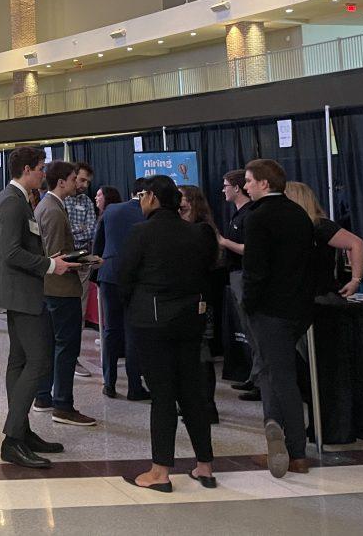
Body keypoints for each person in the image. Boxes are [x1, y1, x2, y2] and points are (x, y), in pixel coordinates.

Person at [118, 176, 218, 492]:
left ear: (152, 197)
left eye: (142, 194)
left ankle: (160, 472)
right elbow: (209, 274)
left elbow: (124, 277)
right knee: (192, 392)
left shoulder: (141, 232)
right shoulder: (199, 233)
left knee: (162, 394)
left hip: (153, 322)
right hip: (191, 320)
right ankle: (205, 466)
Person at [0, 147, 80, 469]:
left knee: (20, 361)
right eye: (40, 168)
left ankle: (22, 431)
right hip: (22, 293)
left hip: (19, 291)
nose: (44, 173)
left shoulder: (14, 199)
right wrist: (51, 265)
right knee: (39, 362)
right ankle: (12, 439)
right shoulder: (12, 202)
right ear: (27, 169)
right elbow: (11, 253)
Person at [242, 159, 318, 478]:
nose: (245, 186)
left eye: (248, 181)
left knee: (280, 375)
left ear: (264, 183)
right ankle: (275, 433)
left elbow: (256, 270)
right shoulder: (299, 214)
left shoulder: (258, 217)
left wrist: (248, 303)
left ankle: (296, 452)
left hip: (269, 309)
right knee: (270, 372)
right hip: (297, 308)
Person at [33, 161, 97, 427]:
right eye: (73, 179)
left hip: (49, 289)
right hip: (60, 290)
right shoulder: (54, 210)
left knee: (51, 345)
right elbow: (58, 257)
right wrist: (86, 261)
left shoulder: (45, 206)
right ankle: (63, 404)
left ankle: (44, 396)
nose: (76, 183)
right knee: (66, 347)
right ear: (61, 182)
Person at [95, 178, 151, 401]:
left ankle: (108, 383)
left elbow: (98, 244)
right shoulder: (147, 215)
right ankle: (134, 386)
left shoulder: (111, 210)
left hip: (109, 274)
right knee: (132, 331)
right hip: (135, 278)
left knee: (111, 330)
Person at [180, 186, 222, 424]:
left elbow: (204, 263)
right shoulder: (184, 228)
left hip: (200, 299)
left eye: (183, 198)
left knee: (201, 353)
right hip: (188, 298)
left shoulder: (203, 229)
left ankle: (207, 405)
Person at [219, 169, 261, 400]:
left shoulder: (249, 215)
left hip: (244, 275)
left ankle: (261, 381)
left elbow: (249, 247)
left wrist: (224, 242)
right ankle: (254, 376)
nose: (223, 190)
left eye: (226, 185)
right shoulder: (236, 215)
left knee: (253, 329)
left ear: (237, 188)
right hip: (234, 274)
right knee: (247, 328)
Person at [284, 181, 363, 298]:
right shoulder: (292, 228)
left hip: (321, 296)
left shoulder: (320, 226)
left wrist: (355, 280)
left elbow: (357, 244)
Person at [64, 162, 98, 379]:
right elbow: (64, 230)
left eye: (88, 182)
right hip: (61, 263)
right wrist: (79, 230)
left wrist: (77, 230)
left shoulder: (86, 201)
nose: (84, 185)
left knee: (79, 312)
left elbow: (91, 228)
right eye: (82, 180)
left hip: (83, 264)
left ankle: (73, 358)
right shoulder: (60, 200)